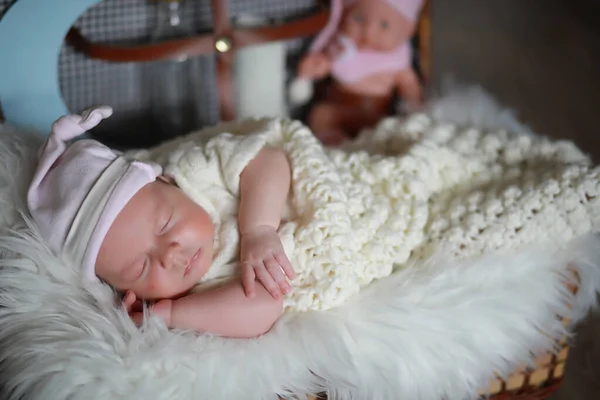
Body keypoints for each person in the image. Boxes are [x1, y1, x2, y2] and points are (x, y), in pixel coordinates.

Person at [297, 0, 425, 145]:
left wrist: (414, 106)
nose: (368, 31)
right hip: (336, 105)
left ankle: (368, 147)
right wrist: (314, 66)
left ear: (408, 29)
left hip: (374, 113)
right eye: (359, 19)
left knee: (386, 127)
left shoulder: (398, 62)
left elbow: (409, 86)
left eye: (384, 25)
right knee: (320, 114)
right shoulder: (342, 48)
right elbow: (325, 65)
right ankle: (331, 142)